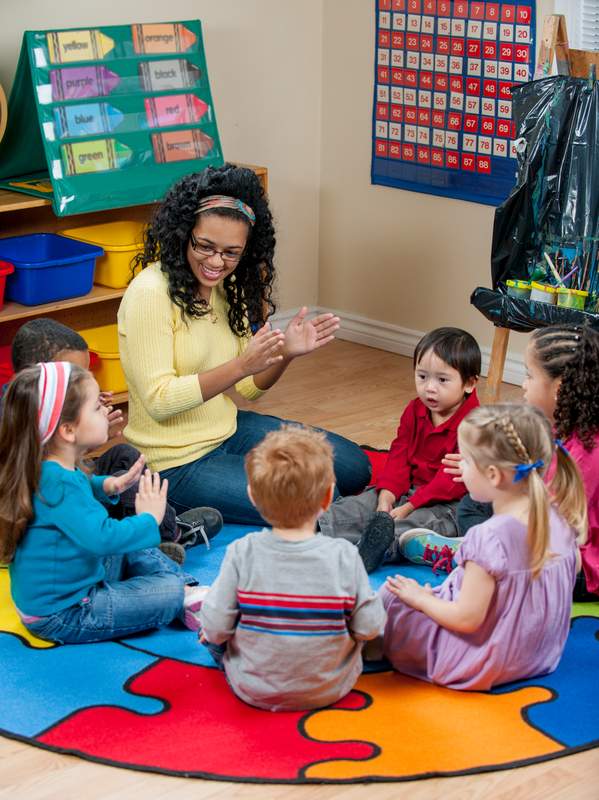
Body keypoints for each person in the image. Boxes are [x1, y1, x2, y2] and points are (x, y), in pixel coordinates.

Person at [118, 164, 371, 525]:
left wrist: (285, 354)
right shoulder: (149, 294)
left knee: (352, 468)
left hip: (229, 428)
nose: (216, 263)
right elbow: (159, 402)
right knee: (310, 503)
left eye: (230, 253)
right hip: (174, 462)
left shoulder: (228, 287)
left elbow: (250, 388)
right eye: (205, 246)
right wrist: (241, 365)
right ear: (183, 234)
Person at [382, 403, 587, 691]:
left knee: (392, 599)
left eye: (465, 460)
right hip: (538, 654)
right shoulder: (559, 517)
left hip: (482, 661)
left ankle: (371, 651)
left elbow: (466, 619)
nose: (461, 467)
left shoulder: (489, 536)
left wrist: (420, 600)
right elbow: (571, 569)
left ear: (493, 475)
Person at [0, 362, 207, 644]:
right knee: (164, 586)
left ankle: (186, 593)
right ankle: (182, 593)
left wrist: (108, 484)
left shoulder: (48, 466)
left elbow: (78, 491)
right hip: (66, 612)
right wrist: (149, 519)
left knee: (132, 542)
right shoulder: (58, 483)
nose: (105, 411)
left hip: (78, 578)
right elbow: (101, 538)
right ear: (68, 430)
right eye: (96, 408)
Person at [198, 425, 385, 711]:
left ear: (253, 497)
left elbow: (216, 626)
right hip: (331, 686)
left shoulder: (242, 552)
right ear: (327, 497)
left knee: (213, 633)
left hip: (253, 687)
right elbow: (370, 626)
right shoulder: (344, 555)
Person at [9, 318, 224, 563]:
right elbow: (47, 482)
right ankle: (148, 542)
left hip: (72, 487)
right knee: (126, 485)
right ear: (43, 375)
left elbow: (69, 465)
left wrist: (89, 431)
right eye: (75, 376)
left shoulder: (53, 406)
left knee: (124, 455)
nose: (82, 381)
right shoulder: (14, 419)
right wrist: (85, 439)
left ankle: (167, 533)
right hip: (54, 508)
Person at [438, 324, 599, 600]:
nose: (524, 384)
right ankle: (476, 549)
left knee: (486, 511)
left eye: (529, 375)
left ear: (558, 389)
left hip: (579, 566)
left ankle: (473, 554)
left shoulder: (587, 452)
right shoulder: (565, 424)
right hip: (551, 534)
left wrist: (495, 483)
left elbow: (549, 526)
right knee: (473, 505)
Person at [318, 327, 481, 572]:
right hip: (409, 490)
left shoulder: (475, 424)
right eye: (422, 377)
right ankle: (319, 529)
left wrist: (409, 507)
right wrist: (388, 496)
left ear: (469, 383)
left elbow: (450, 482)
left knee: (416, 526)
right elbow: (399, 454)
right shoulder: (414, 410)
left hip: (448, 503)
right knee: (361, 505)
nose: (430, 388)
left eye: (442, 380)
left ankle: (369, 551)